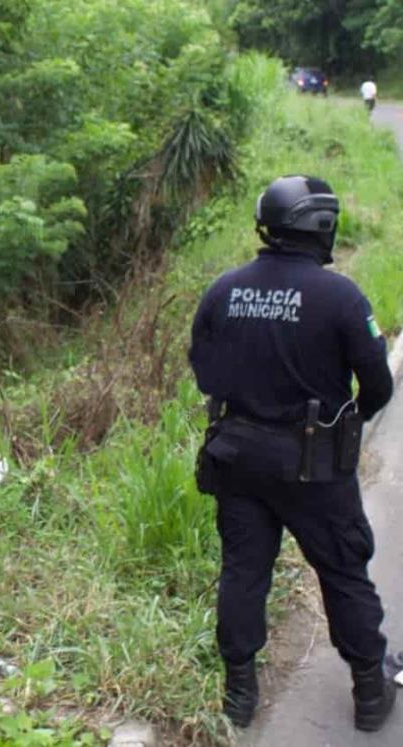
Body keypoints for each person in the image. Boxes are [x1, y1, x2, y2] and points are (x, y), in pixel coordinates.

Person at [189, 175, 396, 731]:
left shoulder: (224, 289)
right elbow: (378, 385)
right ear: (321, 226)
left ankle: (239, 694)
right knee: (343, 568)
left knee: (243, 571)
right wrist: (344, 418)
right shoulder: (342, 297)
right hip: (314, 465)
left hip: (237, 457)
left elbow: (204, 370)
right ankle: (371, 692)